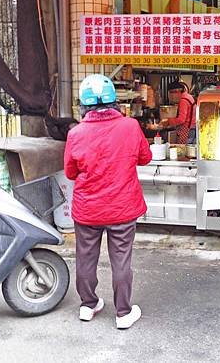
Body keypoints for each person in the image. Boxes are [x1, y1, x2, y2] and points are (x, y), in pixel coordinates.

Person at [64, 74, 152, 329]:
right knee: (121, 259)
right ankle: (123, 313)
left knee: (85, 258)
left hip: (88, 209)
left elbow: (70, 172)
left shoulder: (76, 133)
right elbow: (145, 158)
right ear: (114, 102)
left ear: (83, 105)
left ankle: (88, 305)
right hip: (122, 207)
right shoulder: (130, 126)